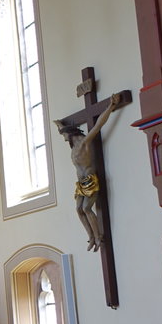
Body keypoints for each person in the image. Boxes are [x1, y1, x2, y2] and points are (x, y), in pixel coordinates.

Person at [56, 94, 127, 251]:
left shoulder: (84, 143)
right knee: (78, 210)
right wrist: (59, 125)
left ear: (70, 134)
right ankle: (90, 237)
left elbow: (98, 126)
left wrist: (110, 106)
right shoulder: (73, 149)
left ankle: (98, 236)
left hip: (89, 179)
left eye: (64, 135)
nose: (64, 138)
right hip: (80, 183)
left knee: (87, 208)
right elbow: (62, 129)